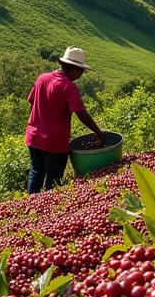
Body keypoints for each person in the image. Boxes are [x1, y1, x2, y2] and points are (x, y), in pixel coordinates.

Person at [25, 47, 103, 194]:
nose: (81, 74)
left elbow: (32, 103)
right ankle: (47, 209)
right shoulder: (69, 87)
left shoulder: (42, 78)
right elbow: (81, 113)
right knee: (53, 179)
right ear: (73, 69)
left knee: (36, 172)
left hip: (34, 136)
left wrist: (34, 125)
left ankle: (31, 207)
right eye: (81, 71)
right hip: (54, 141)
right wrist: (98, 132)